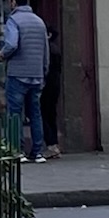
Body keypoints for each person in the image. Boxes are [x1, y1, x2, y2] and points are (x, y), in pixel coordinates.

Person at [0, 0, 49, 161]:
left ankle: (17, 151)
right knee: (35, 114)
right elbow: (45, 51)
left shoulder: (14, 20)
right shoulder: (39, 21)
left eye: (9, 1)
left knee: (14, 114)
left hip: (18, 74)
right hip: (36, 75)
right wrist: (43, 72)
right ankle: (37, 152)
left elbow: (11, 44)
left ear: (14, 2)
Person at [40, 22, 62, 159]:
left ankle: (51, 144)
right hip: (54, 85)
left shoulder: (48, 50)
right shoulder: (55, 49)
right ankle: (53, 144)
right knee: (51, 114)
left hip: (47, 86)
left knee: (44, 114)